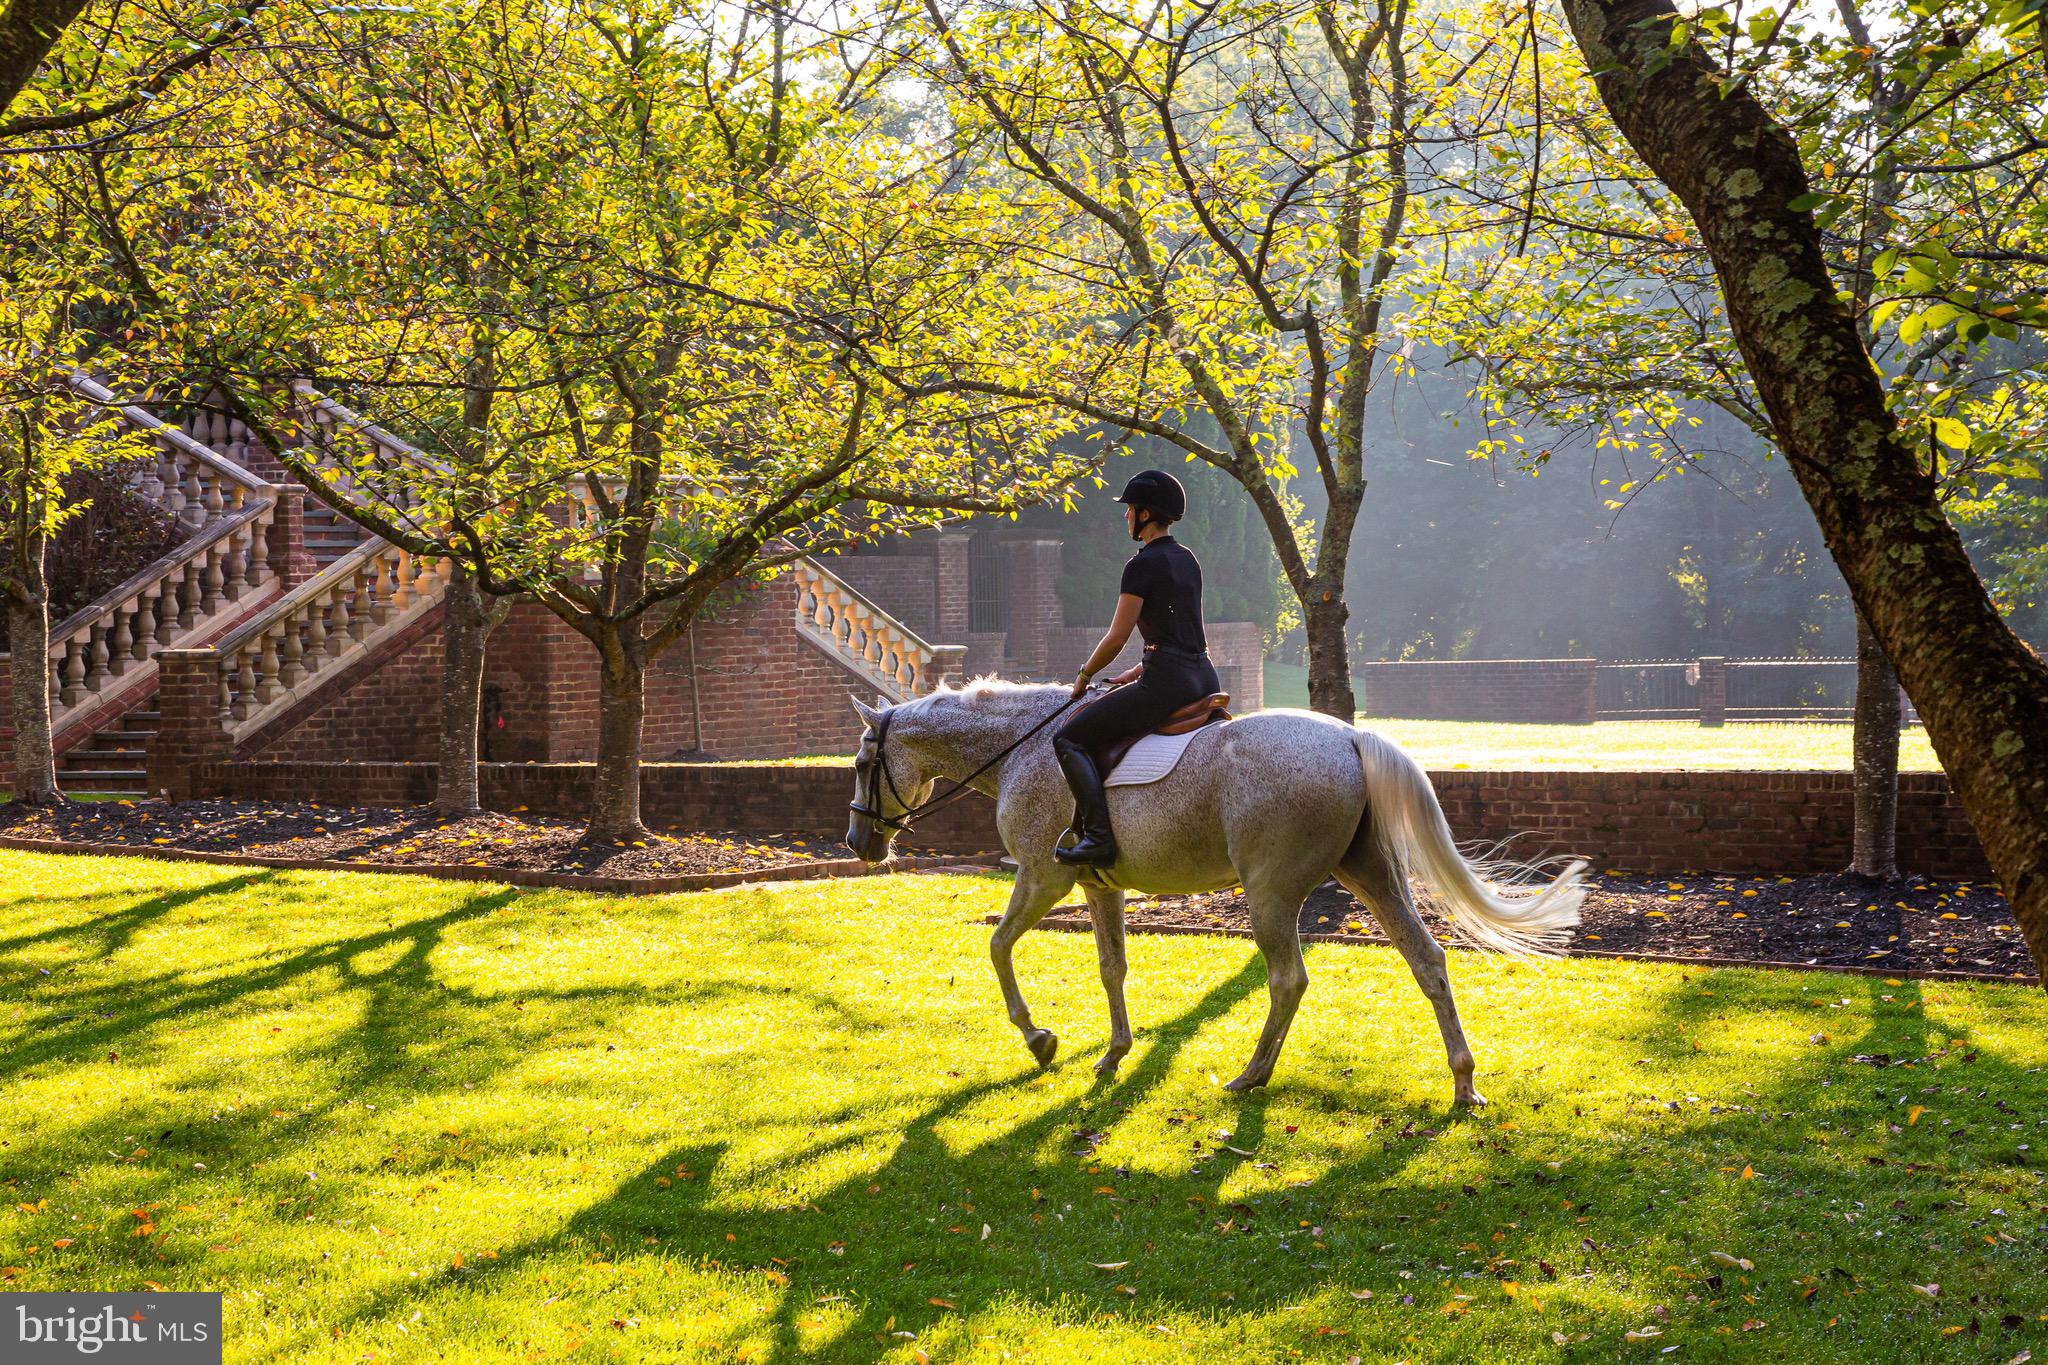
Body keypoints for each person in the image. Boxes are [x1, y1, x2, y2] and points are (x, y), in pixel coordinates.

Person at [1052, 469, 1220, 867]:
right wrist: (1139, 669)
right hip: (1203, 675)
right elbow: (1181, 631)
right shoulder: (1188, 558)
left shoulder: (1140, 565)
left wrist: (1084, 675)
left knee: (1068, 739)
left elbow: (1116, 637)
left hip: (1168, 684)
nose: (1126, 515)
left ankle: (1098, 838)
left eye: (1130, 509)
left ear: (1145, 514)